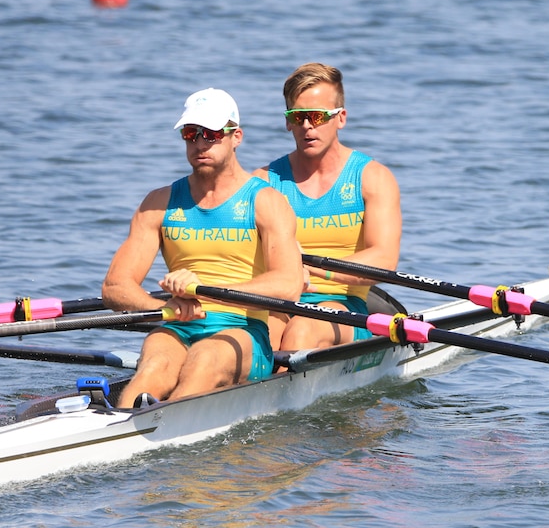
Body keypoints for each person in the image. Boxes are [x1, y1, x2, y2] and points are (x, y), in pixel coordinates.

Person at [102, 88, 303, 408]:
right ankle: (118, 431)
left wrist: (202, 290)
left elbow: (289, 285)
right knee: (152, 370)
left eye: (211, 134)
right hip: (177, 326)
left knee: (205, 360)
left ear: (236, 136)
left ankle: (167, 435)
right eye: (191, 133)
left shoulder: (266, 202)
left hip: (242, 330)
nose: (199, 143)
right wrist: (164, 309)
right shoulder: (158, 203)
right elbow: (115, 287)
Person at [254, 63, 402, 352]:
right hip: (277, 299)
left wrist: (304, 263)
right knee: (258, 335)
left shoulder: (372, 178)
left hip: (344, 305)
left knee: (302, 329)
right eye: (298, 117)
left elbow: (384, 261)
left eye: (318, 117)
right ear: (287, 122)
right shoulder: (262, 182)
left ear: (341, 118)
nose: (308, 126)